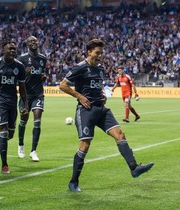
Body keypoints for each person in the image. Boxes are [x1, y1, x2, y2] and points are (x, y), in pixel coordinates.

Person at [59, 39, 154, 192]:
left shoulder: (101, 69)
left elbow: (98, 85)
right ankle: (73, 182)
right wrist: (80, 96)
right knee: (85, 145)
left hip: (101, 109)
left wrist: (102, 94)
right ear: (89, 52)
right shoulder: (80, 67)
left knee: (120, 135)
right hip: (86, 111)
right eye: (97, 53)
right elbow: (63, 85)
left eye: (101, 53)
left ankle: (134, 168)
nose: (100, 56)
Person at [0, 40, 28, 174]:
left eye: (14, 49)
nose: (13, 51)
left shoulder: (19, 67)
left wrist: (25, 104)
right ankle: (4, 165)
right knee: (4, 131)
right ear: (3, 49)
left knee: (9, 135)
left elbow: (22, 88)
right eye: (10, 49)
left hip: (12, 102)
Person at [17, 36, 48, 161]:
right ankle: (20, 145)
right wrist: (25, 72)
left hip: (38, 94)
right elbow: (17, 76)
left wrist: (43, 78)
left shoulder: (43, 59)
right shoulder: (22, 59)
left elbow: (42, 73)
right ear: (27, 44)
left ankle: (34, 150)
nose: (33, 43)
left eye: (35, 41)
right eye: (30, 41)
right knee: (23, 120)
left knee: (37, 120)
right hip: (25, 95)